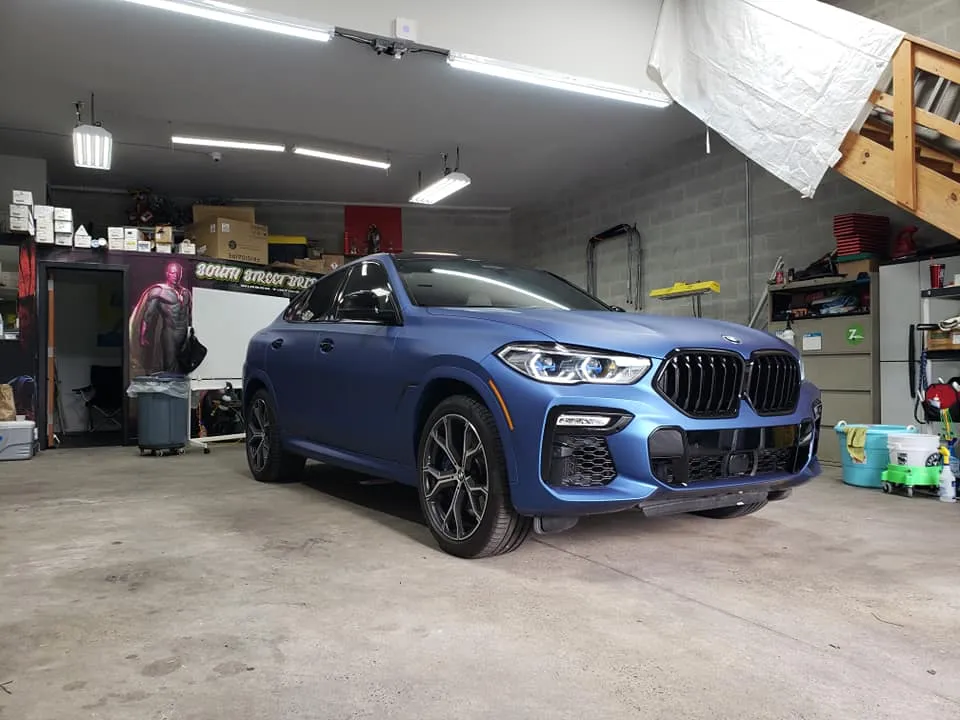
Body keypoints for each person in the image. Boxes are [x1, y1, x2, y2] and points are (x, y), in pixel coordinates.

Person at [129, 261, 192, 375]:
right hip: (170, 334)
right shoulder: (159, 291)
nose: (176, 276)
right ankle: (171, 391)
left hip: (184, 334)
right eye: (173, 273)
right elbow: (148, 315)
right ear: (167, 274)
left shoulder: (186, 293)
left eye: (178, 273)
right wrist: (143, 336)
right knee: (170, 366)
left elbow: (190, 314)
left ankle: (181, 389)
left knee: (185, 366)